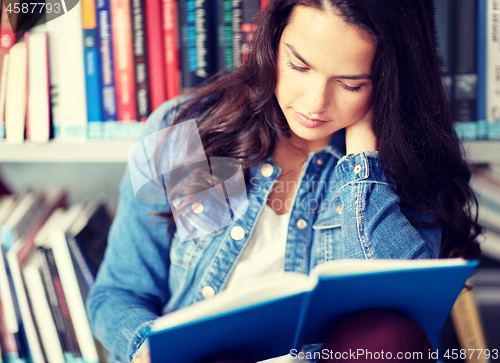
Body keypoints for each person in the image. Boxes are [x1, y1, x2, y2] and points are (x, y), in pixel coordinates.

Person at [86, 0, 482, 362]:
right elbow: (118, 294)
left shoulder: (406, 166)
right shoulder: (194, 135)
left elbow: (399, 329)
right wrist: (145, 347)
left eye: (350, 84)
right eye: (299, 66)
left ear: (390, 82)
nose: (314, 104)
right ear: (273, 42)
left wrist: (363, 170)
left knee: (387, 333)